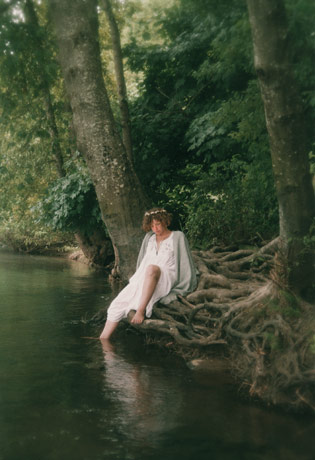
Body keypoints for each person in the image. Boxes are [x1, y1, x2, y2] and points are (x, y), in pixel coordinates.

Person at [99, 208, 197, 340]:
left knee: (151, 269)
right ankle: (104, 342)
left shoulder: (177, 236)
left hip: (168, 274)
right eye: (152, 225)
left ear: (165, 221)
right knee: (116, 304)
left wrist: (186, 281)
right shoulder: (149, 238)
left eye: (157, 224)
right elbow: (142, 262)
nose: (155, 228)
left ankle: (140, 311)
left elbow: (185, 260)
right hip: (146, 276)